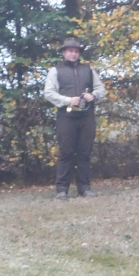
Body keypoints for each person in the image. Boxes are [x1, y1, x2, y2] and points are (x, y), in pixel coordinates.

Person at [44, 36, 107, 199]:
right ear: (64, 52)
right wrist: (67, 100)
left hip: (87, 116)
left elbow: (101, 89)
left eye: (76, 51)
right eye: (70, 51)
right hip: (66, 117)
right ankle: (62, 190)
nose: (73, 54)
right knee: (66, 153)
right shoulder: (55, 71)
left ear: (79, 53)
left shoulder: (88, 70)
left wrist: (93, 95)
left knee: (84, 153)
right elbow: (48, 93)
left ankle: (84, 188)